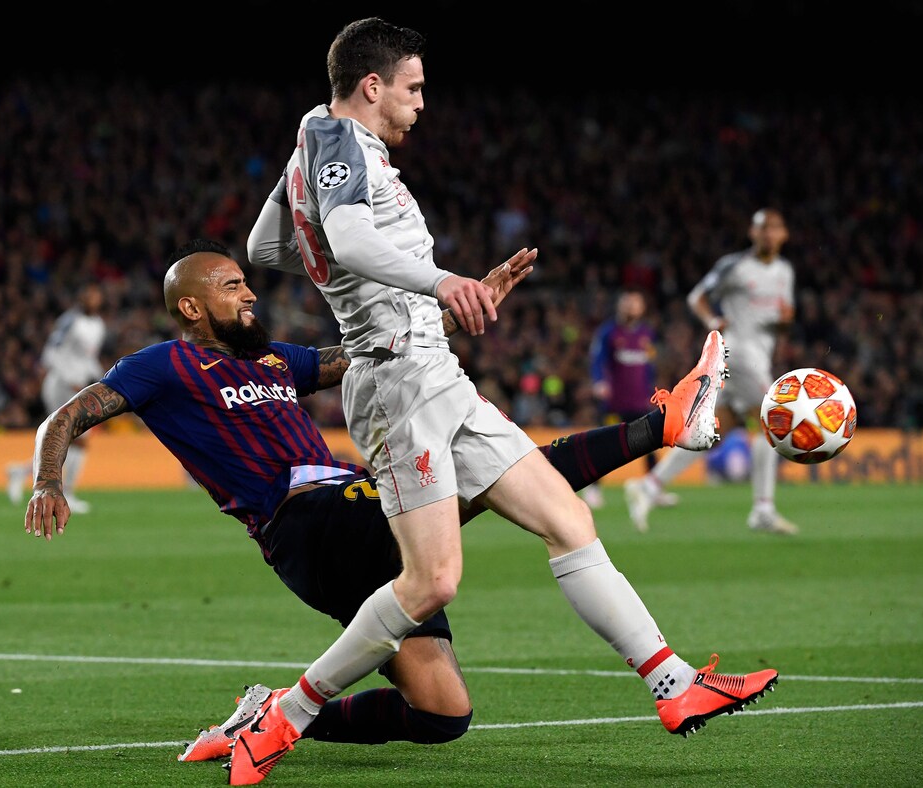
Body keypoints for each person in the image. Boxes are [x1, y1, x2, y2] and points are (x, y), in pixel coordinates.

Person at [243, 17, 777, 785]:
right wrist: (439, 284)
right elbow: (348, 242)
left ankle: (674, 683)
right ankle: (285, 716)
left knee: (568, 520)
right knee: (432, 582)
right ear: (372, 85)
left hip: (432, 371)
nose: (421, 103)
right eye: (413, 88)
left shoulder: (315, 143)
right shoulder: (339, 140)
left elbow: (268, 246)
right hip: (396, 385)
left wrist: (389, 295)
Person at [23, 241, 771, 774]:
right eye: (229, 285)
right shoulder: (162, 365)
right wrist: (48, 481)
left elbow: (372, 354)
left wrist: (461, 312)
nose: (247, 292)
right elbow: (68, 415)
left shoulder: (277, 360)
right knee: (490, 472)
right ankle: (659, 427)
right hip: (306, 522)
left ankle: (271, 713)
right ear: (191, 305)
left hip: (357, 512)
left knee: (443, 716)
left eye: (246, 282)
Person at [624, 208, 798, 535]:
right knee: (773, 420)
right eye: (763, 228)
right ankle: (763, 508)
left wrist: (784, 323)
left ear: (784, 234)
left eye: (775, 228)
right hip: (739, 353)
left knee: (711, 433)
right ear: (753, 233)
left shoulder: (784, 271)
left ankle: (649, 485)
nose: (769, 234)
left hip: (759, 357)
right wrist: (712, 320)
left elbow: (783, 317)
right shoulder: (735, 266)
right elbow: (697, 297)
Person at [7, 282, 107, 513]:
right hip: (60, 384)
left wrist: (103, 378)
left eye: (96, 295)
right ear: (82, 297)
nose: (93, 300)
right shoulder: (69, 321)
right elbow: (50, 353)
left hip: (80, 386)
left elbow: (88, 358)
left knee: (68, 440)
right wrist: (68, 378)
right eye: (89, 295)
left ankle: (21, 472)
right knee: (76, 439)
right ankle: (66, 492)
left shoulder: (98, 325)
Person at [581, 286, 677, 514]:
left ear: (642, 307)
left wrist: (652, 391)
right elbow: (597, 360)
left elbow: (649, 366)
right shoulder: (608, 332)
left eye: (635, 302)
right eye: (627, 302)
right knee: (606, 445)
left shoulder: (647, 334)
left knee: (650, 444)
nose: (631, 307)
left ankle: (654, 490)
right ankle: (593, 488)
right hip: (614, 402)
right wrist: (599, 382)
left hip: (639, 401)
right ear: (620, 305)